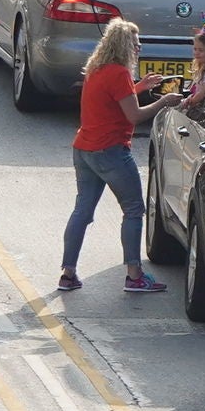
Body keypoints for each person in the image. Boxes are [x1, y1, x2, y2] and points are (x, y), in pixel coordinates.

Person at [61, 17, 173, 296]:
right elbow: (134, 115)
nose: (139, 48)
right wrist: (163, 102)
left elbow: (113, 99)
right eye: (136, 44)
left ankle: (68, 272)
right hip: (110, 152)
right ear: (124, 46)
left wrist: (140, 88)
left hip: (84, 149)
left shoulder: (97, 69)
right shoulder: (120, 73)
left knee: (83, 211)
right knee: (134, 209)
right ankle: (134, 276)